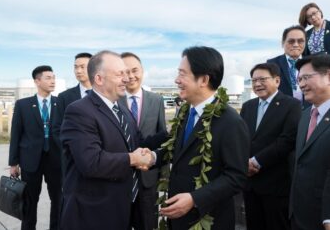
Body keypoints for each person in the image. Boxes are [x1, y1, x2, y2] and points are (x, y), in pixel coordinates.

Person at [59, 50, 156, 230]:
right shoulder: (80, 111)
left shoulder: (121, 109)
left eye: (126, 73)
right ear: (99, 79)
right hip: (93, 214)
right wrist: (133, 159)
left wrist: (175, 135)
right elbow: (91, 162)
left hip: (122, 208)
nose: (126, 79)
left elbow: (138, 142)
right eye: (120, 74)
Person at [157, 46, 250, 230]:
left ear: (204, 80)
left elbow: (236, 177)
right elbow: (176, 150)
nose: (177, 80)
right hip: (178, 217)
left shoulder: (231, 122)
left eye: (183, 74)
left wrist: (194, 199)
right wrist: (151, 156)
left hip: (210, 219)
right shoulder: (185, 113)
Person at [240, 63, 301, 230]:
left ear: (277, 81)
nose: (257, 84)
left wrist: (256, 162)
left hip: (276, 183)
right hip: (250, 184)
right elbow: (242, 138)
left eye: (262, 79)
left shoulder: (292, 105)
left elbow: (287, 140)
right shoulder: (248, 106)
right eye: (254, 80)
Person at [8, 65, 62, 230]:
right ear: (37, 81)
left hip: (56, 159)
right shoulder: (23, 105)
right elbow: (16, 134)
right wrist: (13, 163)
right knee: (30, 201)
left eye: (53, 77)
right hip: (30, 161)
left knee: (59, 199)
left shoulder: (60, 103)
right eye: (48, 78)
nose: (53, 81)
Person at [119, 52, 166, 230]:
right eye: (125, 72)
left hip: (148, 177)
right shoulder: (114, 101)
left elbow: (162, 137)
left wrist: (162, 175)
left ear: (142, 71)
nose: (131, 76)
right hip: (120, 177)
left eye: (134, 70)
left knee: (148, 224)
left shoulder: (156, 100)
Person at [289, 55, 330, 230]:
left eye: (306, 77)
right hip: (298, 213)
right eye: (299, 79)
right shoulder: (305, 115)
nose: (302, 84)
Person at [52, 52, 92, 178]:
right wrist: (72, 150)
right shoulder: (64, 97)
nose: (78, 71)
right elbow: (57, 129)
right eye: (75, 67)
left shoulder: (106, 94)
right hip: (73, 161)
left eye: (82, 67)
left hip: (103, 160)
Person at [267, 25, 309, 108]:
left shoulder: (312, 63)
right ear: (283, 43)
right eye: (291, 41)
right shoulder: (272, 64)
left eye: (300, 41)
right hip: (282, 112)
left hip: (308, 114)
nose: (296, 45)